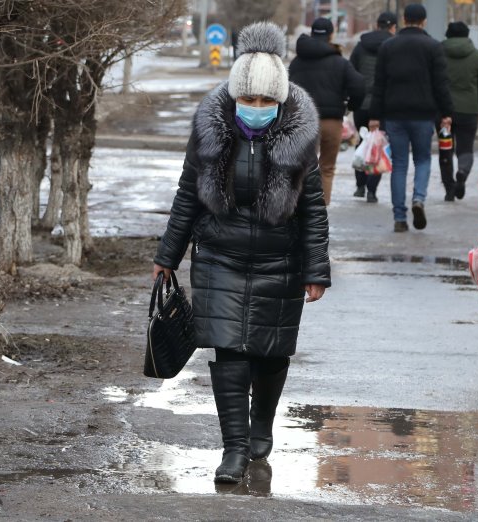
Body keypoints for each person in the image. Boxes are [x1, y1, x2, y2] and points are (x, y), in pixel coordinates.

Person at [152, 22, 330, 484]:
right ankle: (233, 449)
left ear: (279, 100)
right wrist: (168, 254)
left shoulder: (299, 137)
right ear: (233, 97)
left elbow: (312, 209)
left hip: (280, 262)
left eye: (265, 101)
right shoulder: (211, 131)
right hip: (219, 258)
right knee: (229, 352)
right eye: (247, 100)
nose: (255, 109)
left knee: (271, 354)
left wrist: (316, 269)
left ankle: (261, 428)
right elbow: (187, 195)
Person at [369, 3, 454, 232]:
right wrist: (446, 113)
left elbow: (379, 85)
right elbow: (441, 84)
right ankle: (418, 198)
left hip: (394, 115)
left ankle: (399, 218)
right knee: (423, 160)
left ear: (404, 20)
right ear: (423, 21)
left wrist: (374, 115)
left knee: (399, 164)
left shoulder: (388, 47)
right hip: (424, 115)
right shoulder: (433, 47)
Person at [289, 17, 365, 206]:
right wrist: (351, 106)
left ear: (312, 33)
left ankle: (301, 209)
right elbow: (359, 85)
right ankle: (319, 212)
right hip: (331, 121)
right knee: (327, 168)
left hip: (303, 122)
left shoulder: (297, 62)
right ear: (331, 35)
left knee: (303, 167)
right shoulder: (340, 62)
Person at [349, 11, 397, 203]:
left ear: (377, 25)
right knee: (378, 145)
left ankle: (360, 185)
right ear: (393, 27)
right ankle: (371, 189)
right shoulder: (394, 47)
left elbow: (351, 72)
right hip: (383, 106)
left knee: (362, 142)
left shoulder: (360, 47)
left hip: (361, 104)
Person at [439, 21, 478, 202]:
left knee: (445, 148)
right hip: (469, 110)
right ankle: (462, 171)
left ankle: (449, 188)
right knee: (465, 148)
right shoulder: (476, 56)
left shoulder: (438, 54)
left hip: (444, 112)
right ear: (467, 35)